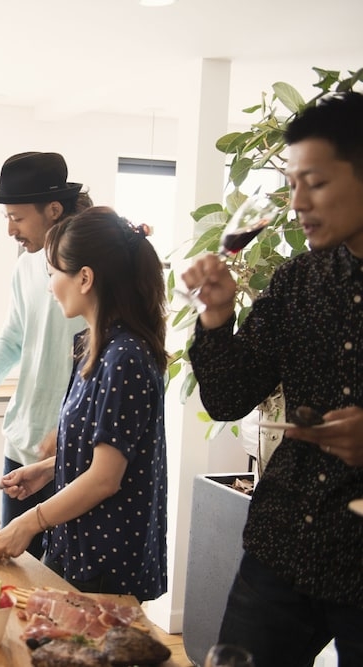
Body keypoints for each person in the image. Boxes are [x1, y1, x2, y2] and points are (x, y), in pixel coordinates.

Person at [182, 91, 363, 664]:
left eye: (316, 182)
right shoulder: (296, 281)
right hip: (284, 543)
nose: (297, 202)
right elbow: (230, 398)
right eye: (291, 184)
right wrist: (215, 317)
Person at [0, 207, 168, 603]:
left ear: (84, 278)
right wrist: (50, 469)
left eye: (53, 274)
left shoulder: (126, 357)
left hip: (106, 561)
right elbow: (106, 448)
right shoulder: (91, 346)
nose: (50, 287)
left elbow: (106, 478)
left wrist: (28, 523)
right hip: (77, 549)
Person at [0, 151, 91, 556]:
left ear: (54, 210)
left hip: (69, 451)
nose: (10, 230)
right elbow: (13, 338)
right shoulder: (25, 267)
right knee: (15, 569)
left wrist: (71, 430)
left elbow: (104, 362)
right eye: (6, 218)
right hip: (21, 443)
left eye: (17, 218)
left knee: (60, 582)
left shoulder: (91, 275)